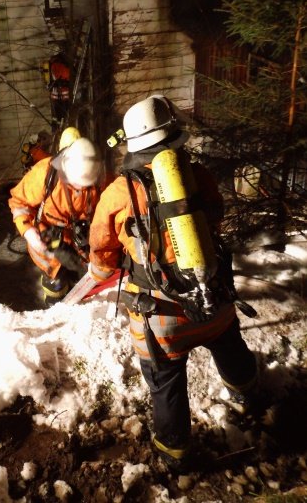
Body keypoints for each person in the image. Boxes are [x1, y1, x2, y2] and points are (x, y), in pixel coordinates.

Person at [87, 94, 258, 471]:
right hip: (212, 301)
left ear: (133, 145)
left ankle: (174, 452)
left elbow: (101, 248)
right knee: (230, 347)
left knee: (165, 383)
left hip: (161, 318)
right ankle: (249, 395)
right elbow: (215, 216)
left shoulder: (118, 193)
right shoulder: (199, 175)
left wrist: (103, 271)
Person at [8, 133, 102, 305]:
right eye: (76, 182)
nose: (80, 187)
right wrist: (28, 231)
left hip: (76, 236)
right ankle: (54, 302)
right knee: (56, 276)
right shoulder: (44, 174)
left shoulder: (95, 176)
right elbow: (19, 202)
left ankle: (76, 299)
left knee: (80, 274)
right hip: (48, 234)